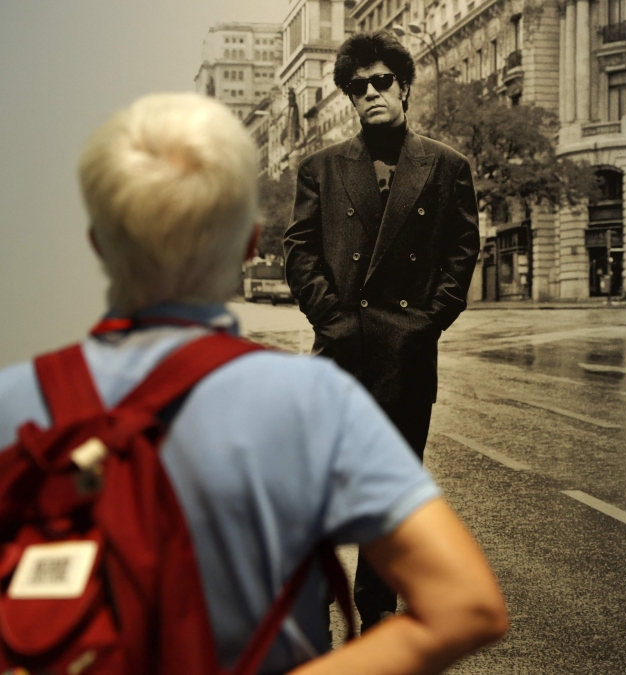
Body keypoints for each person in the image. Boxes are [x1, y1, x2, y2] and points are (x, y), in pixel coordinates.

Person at [0, 92, 505, 674]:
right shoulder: (311, 401)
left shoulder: (16, 400)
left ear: (96, 244)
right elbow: (466, 607)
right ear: (247, 245)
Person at [283, 31, 481, 631]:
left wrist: (425, 324)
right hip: (340, 352)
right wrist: (333, 319)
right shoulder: (320, 167)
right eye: (355, 87)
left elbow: (461, 251)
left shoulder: (446, 166)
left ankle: (376, 609)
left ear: (403, 86)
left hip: (407, 354)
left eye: (380, 82)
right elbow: (300, 251)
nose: (368, 94)